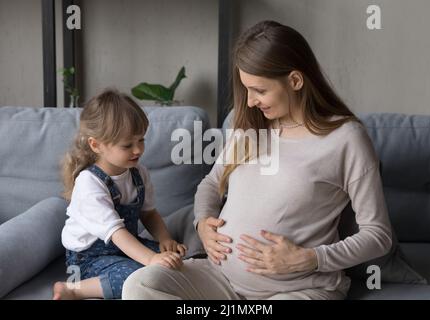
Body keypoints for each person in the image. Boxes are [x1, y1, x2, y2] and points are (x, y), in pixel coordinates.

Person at [122, 20, 392, 300]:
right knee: (140, 286)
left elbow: (378, 235)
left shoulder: (346, 138)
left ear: (295, 81)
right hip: (220, 279)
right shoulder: (252, 128)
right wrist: (202, 222)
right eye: (246, 89)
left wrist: (311, 258)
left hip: (298, 290)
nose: (250, 102)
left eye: (260, 90)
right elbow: (212, 183)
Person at [52, 89, 187, 300]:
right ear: (96, 145)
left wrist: (164, 239)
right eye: (127, 145)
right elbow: (116, 233)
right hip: (88, 259)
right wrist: (151, 260)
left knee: (175, 261)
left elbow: (149, 213)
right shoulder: (89, 183)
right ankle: (74, 289)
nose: (138, 150)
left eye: (141, 140)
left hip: (124, 246)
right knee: (140, 275)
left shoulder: (138, 173)